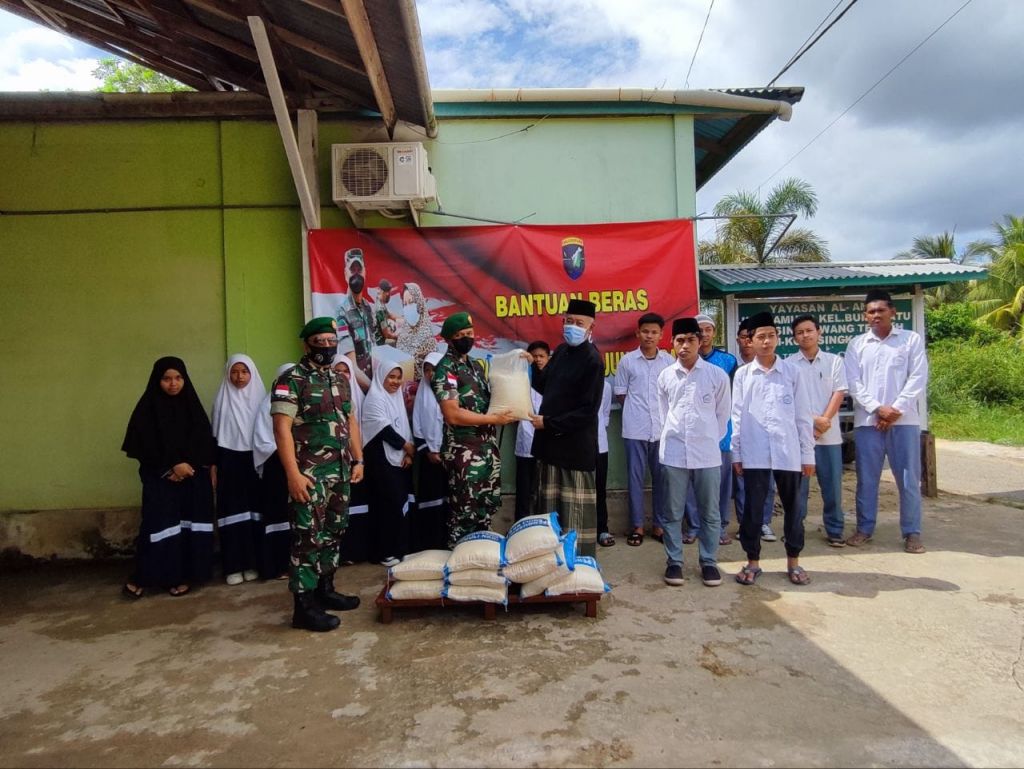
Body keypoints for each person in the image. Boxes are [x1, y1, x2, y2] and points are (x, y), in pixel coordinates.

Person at [272, 317, 364, 632]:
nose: (326, 347)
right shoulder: (291, 379)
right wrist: (293, 474)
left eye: (330, 341)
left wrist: (358, 459)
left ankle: (325, 589)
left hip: (339, 472)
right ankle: (303, 606)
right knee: (307, 538)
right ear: (306, 344)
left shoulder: (340, 380)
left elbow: (350, 421)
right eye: (319, 341)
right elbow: (281, 430)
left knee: (334, 530)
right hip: (309, 475)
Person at [121, 356, 216, 599]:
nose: (173, 384)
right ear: (157, 380)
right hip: (160, 479)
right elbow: (142, 445)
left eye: (178, 378)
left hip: (191, 480)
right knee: (158, 526)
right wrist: (171, 467)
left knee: (188, 526)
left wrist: (188, 467)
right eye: (166, 379)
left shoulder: (192, 406)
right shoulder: (147, 409)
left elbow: (203, 442)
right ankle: (146, 576)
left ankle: (184, 576)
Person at [731, 312, 815, 586]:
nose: (766, 342)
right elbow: (737, 416)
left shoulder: (793, 372)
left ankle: (794, 562)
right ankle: (752, 562)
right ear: (750, 342)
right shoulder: (744, 375)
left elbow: (803, 416)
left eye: (770, 336)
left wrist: (807, 454)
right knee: (753, 511)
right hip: (755, 454)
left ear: (777, 338)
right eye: (760, 337)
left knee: (794, 509)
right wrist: (737, 454)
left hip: (788, 453)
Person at [844, 289, 929, 553]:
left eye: (881, 310)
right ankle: (864, 528)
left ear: (893, 311)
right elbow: (853, 383)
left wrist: (895, 410)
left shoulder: (909, 340)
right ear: (865, 316)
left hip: (904, 422)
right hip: (868, 422)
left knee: (908, 479)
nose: (876, 315)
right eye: (871, 311)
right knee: (867, 479)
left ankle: (912, 532)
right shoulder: (857, 345)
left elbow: (918, 377)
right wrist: (878, 409)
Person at [431, 311, 516, 547]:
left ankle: (481, 562)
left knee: (485, 510)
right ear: (449, 339)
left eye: (470, 333)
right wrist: (491, 418)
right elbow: (452, 413)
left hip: (487, 449)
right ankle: (460, 566)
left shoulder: (476, 366)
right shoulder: (446, 369)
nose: (467, 338)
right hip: (464, 453)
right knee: (464, 513)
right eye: (460, 335)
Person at [657, 318, 732, 587]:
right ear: (673, 344)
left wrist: (708, 438)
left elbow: (723, 416)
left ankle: (709, 561)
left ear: (700, 342)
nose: (685, 345)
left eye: (691, 339)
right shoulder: (666, 376)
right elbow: (663, 414)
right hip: (674, 452)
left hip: (707, 454)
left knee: (710, 512)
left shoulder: (716, 376)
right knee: (672, 511)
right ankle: (674, 561)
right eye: (680, 340)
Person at [530, 299, 605, 558]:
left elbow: (587, 411)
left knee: (574, 516)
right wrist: (529, 364)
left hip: (575, 451)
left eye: (579, 323)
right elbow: (543, 386)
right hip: (550, 449)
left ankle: (577, 567)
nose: (572, 326)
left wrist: (548, 423)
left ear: (591, 327)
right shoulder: (561, 351)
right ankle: (548, 565)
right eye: (569, 321)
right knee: (548, 512)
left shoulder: (593, 360)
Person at [787, 314, 849, 547]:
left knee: (832, 486)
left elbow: (839, 392)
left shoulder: (834, 361)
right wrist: (813, 421)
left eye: (809, 330)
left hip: (829, 436)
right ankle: (795, 530)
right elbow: (789, 400)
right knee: (798, 490)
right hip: (800, 437)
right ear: (794, 338)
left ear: (818, 332)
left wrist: (824, 420)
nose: (805, 335)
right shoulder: (789, 365)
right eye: (800, 332)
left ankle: (835, 529)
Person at [613, 312, 674, 547]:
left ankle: (659, 526)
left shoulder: (669, 362)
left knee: (662, 479)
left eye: (654, 332)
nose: (649, 336)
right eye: (645, 331)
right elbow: (620, 393)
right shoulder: (627, 361)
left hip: (662, 430)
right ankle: (637, 526)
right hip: (635, 430)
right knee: (635, 479)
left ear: (661, 335)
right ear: (638, 333)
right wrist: (636, 412)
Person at [682, 313, 739, 546]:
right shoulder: (685, 362)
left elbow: (733, 399)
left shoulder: (728, 361)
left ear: (714, 332)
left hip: (721, 436)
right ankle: (695, 526)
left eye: (708, 330)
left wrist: (722, 431)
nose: (704, 334)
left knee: (721, 484)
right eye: (700, 331)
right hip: (692, 436)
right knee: (692, 485)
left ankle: (720, 526)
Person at [211, 354, 266, 585]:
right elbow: (214, 437)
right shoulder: (221, 401)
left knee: (255, 514)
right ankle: (233, 566)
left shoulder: (261, 401)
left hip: (255, 462)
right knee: (232, 514)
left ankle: (254, 563)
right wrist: (213, 468)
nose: (239, 377)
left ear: (252, 374)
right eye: (234, 371)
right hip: (228, 462)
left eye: (244, 372)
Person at [362, 350, 415, 567]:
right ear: (381, 377)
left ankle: (399, 548)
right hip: (380, 460)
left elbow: (403, 427)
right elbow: (384, 430)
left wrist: (408, 454)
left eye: (398, 377)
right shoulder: (374, 399)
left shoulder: (396, 399)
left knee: (399, 504)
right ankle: (384, 552)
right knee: (386, 505)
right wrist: (408, 447)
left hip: (398, 458)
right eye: (391, 377)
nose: (395, 381)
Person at [733, 316, 777, 542]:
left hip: (772, 439)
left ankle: (765, 522)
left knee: (768, 484)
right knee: (744, 485)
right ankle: (746, 523)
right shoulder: (738, 371)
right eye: (745, 337)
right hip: (746, 438)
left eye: (769, 336)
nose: (750, 342)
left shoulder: (783, 371)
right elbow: (735, 410)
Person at [251, 362, 296, 580]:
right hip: (276, 467)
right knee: (279, 514)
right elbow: (263, 440)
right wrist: (286, 452)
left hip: (303, 466)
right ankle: (279, 564)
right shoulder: (267, 403)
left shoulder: (305, 400)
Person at [333, 353, 371, 565]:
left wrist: (360, 459)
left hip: (360, 461)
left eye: (346, 370)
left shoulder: (362, 398)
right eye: (337, 371)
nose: (342, 375)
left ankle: (359, 551)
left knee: (359, 507)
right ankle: (342, 553)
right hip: (335, 462)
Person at [411, 349, 449, 551]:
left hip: (449, 455)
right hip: (428, 457)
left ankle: (448, 540)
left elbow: (453, 421)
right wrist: (429, 451)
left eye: (435, 369)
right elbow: (417, 425)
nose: (431, 374)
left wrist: (444, 450)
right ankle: (430, 543)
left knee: (449, 498)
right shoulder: (422, 393)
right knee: (431, 499)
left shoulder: (451, 391)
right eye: (427, 370)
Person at [514, 340, 550, 521]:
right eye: (534, 356)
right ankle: (521, 524)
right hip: (526, 442)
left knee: (545, 489)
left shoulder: (553, 383)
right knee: (524, 489)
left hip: (548, 442)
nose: (537, 360)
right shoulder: (521, 381)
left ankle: (543, 525)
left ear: (548, 358)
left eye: (541, 356)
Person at [334, 247, 377, 392]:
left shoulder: (369, 308)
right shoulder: (342, 312)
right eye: (352, 270)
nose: (356, 274)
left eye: (359, 269)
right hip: (358, 388)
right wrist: (375, 391)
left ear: (365, 272)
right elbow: (351, 364)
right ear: (345, 274)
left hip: (374, 380)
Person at [395, 282, 438, 379]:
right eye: (405, 304)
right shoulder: (403, 334)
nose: (407, 308)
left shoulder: (428, 340)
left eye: (411, 302)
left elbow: (429, 375)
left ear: (419, 304)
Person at [596, 378, 614, 547]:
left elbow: (606, 414)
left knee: (599, 489)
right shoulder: (572, 381)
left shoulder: (605, 386)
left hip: (600, 445)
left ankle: (602, 528)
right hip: (577, 446)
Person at [373, 278, 398, 345]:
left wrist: (402, 319)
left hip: (381, 338)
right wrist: (400, 337)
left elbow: (389, 315)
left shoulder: (380, 303)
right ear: (386, 293)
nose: (389, 295)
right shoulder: (379, 310)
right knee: (400, 342)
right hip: (380, 343)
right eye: (389, 292)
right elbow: (387, 335)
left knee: (393, 326)